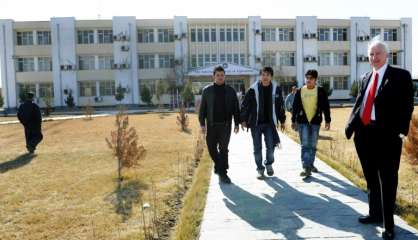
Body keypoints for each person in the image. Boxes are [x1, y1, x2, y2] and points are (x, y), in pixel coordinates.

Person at [345, 39, 414, 240]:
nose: (374, 58)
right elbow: (360, 103)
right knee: (371, 178)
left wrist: (401, 131)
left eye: (377, 54)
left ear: (387, 55)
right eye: (371, 55)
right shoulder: (366, 76)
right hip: (364, 135)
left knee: (388, 179)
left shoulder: (400, 76)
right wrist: (351, 126)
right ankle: (374, 214)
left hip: (388, 137)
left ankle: (389, 224)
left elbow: (407, 105)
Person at [241, 67, 286, 179]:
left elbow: (280, 106)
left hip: (270, 124)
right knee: (257, 148)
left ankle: (269, 163)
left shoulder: (276, 89)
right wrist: (243, 120)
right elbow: (245, 105)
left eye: (267, 75)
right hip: (255, 124)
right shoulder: (253, 89)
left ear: (271, 77)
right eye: (263, 74)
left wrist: (282, 120)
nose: (265, 77)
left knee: (271, 147)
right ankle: (260, 169)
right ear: (260, 76)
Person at [199, 66, 240, 184]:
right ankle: (219, 165)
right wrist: (202, 124)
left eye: (222, 75)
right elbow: (202, 109)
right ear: (213, 76)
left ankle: (223, 173)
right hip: (211, 125)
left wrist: (237, 123)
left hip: (225, 125)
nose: (220, 77)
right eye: (218, 75)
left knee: (223, 149)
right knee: (211, 148)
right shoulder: (207, 91)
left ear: (224, 76)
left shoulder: (231, 91)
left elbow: (235, 108)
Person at [291, 69, 331, 178]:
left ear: (315, 80)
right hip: (302, 121)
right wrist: (293, 120)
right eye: (307, 78)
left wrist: (328, 120)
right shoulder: (300, 91)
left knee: (313, 145)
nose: (308, 80)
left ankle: (311, 164)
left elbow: (325, 106)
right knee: (305, 144)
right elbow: (295, 107)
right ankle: (306, 167)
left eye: (311, 78)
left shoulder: (320, 91)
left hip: (315, 121)